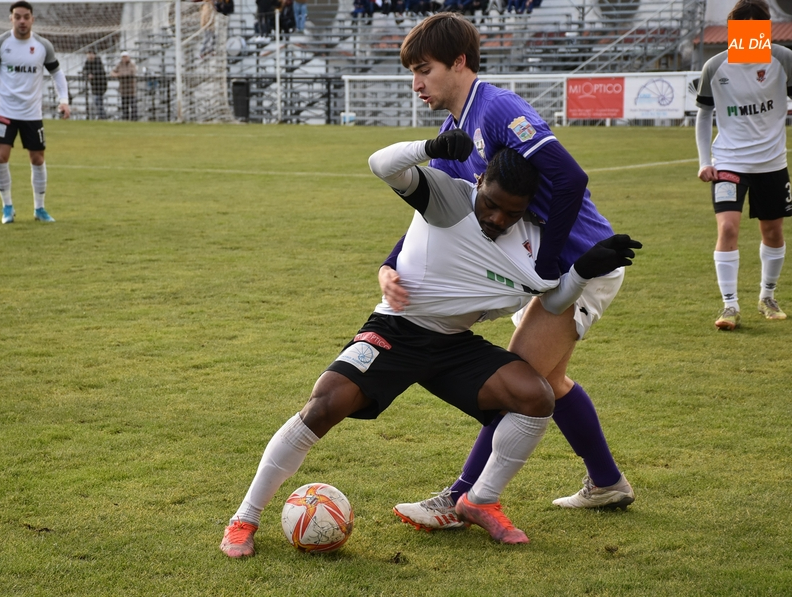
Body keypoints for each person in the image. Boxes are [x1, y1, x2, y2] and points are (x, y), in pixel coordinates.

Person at [219, 129, 641, 558]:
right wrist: (430, 149)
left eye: (510, 212)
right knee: (324, 405)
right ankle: (244, 519)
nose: (496, 217)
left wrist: (583, 271)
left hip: (454, 344)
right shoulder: (449, 198)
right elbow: (382, 165)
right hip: (397, 331)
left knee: (535, 395)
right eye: (491, 203)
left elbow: (551, 296)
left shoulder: (532, 240)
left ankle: (479, 501)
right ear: (479, 183)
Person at [381, 13, 636, 532]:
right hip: (543, 271)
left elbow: (570, 177)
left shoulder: (497, 108)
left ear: (458, 63)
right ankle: (607, 483)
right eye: (412, 72)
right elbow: (438, 211)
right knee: (550, 381)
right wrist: (391, 262)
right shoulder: (453, 131)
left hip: (582, 265)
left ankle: (458, 498)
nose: (416, 83)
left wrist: (548, 264)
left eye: (424, 69)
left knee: (518, 380)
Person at [696, 0, 791, 330]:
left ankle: (767, 296)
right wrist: (704, 160)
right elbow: (704, 112)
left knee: (773, 231)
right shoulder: (715, 66)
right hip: (729, 161)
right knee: (727, 228)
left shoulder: (783, 59)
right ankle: (729, 306)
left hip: (772, 163)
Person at [0, 0, 70, 225]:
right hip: (5, 110)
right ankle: (7, 206)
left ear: (32, 18)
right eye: (18, 17)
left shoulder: (43, 46)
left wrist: (64, 100)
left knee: (37, 159)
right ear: (11, 19)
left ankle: (40, 208)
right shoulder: (0, 43)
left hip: (32, 113)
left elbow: (57, 73)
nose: (22, 21)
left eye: (26, 16)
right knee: (1, 156)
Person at [110, 52, 138, 121]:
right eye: (123, 57)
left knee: (133, 106)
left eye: (125, 57)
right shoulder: (119, 64)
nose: (124, 58)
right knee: (125, 106)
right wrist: (115, 74)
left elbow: (130, 72)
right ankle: (125, 119)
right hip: (123, 89)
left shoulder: (132, 64)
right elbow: (112, 72)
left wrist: (119, 74)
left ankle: (134, 120)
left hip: (131, 89)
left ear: (128, 57)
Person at [82, 50, 108, 120]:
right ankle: (101, 115)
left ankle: (102, 116)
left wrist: (92, 74)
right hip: (94, 86)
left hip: (101, 85)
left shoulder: (98, 62)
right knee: (97, 101)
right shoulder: (87, 62)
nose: (90, 56)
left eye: (91, 54)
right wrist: (88, 74)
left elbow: (100, 71)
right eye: (89, 54)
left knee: (98, 100)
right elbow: (84, 70)